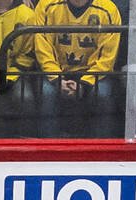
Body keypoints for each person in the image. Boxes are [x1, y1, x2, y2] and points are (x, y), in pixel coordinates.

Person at [32, 0, 120, 132]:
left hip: (94, 74)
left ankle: (100, 149)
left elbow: (107, 58)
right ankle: (48, 149)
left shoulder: (108, 9)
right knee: (47, 93)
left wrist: (85, 83)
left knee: (102, 95)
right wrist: (57, 78)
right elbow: (43, 49)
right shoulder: (46, 5)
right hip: (56, 72)